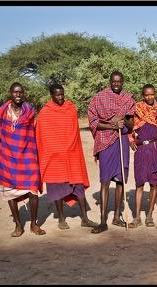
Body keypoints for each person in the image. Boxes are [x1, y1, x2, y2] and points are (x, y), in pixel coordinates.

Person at [35, 83, 99, 230]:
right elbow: (42, 136)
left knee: (79, 185)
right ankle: (61, 219)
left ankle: (85, 218)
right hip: (54, 158)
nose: (60, 97)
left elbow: (74, 134)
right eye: (57, 95)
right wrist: (53, 150)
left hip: (72, 154)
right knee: (57, 185)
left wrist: (68, 148)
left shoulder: (70, 108)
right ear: (51, 95)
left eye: (62, 94)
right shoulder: (45, 112)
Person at [0, 82, 46, 237]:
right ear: (10, 93)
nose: (18, 95)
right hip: (7, 155)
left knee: (33, 190)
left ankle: (34, 224)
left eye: (21, 92)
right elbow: (3, 131)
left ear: (24, 93)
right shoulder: (2, 112)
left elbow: (30, 132)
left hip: (27, 154)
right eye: (15, 92)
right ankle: (18, 225)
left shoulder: (29, 111)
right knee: (9, 191)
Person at [87, 71, 135, 234]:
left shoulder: (127, 99)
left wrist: (123, 118)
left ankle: (116, 217)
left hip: (121, 140)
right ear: (110, 81)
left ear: (122, 82)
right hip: (105, 141)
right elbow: (93, 122)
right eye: (114, 81)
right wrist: (111, 126)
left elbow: (131, 125)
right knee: (105, 180)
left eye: (119, 82)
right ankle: (102, 222)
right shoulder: (98, 98)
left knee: (121, 180)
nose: (116, 84)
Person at [127, 84, 157, 228]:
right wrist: (130, 140)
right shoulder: (137, 108)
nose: (149, 97)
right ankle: (137, 217)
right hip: (140, 149)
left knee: (154, 183)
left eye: (152, 94)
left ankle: (150, 216)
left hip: (155, 148)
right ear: (143, 95)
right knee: (139, 183)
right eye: (146, 95)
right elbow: (130, 125)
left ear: (155, 93)